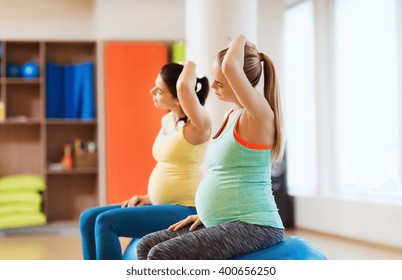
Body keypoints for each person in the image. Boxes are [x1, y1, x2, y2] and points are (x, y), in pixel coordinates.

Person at [136, 34, 285, 260]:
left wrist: (241, 37)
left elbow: (231, 66)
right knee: (146, 245)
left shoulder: (259, 116)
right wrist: (208, 215)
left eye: (221, 82)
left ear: (239, 82)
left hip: (255, 225)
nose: (213, 86)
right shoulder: (231, 115)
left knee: (161, 255)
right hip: (226, 220)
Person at [79, 62, 211, 260]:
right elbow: (169, 167)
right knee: (88, 218)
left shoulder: (198, 127)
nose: (152, 92)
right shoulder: (167, 121)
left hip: (186, 208)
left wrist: (190, 64)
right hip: (160, 204)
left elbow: (184, 85)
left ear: (178, 98)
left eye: (159, 90)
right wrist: (149, 197)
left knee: (106, 222)